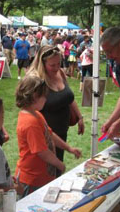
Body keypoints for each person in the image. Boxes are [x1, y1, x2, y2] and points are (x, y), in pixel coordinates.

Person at [15, 76, 81, 197]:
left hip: (42, 177)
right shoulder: (30, 122)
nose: (46, 99)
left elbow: (50, 135)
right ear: (35, 97)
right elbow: (42, 151)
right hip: (32, 180)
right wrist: (59, 164)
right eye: (45, 96)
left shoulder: (37, 114)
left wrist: (69, 148)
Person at [28, 45, 84, 177]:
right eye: (52, 65)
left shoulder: (60, 73)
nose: (56, 68)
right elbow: (31, 110)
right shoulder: (37, 80)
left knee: (57, 167)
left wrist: (80, 117)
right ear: (42, 63)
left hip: (62, 130)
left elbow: (69, 98)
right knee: (47, 171)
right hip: (46, 134)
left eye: (59, 63)